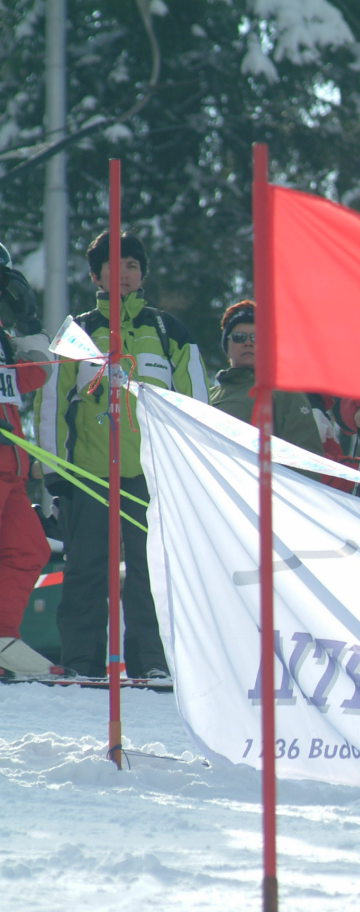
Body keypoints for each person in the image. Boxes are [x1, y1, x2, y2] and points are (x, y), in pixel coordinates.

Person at [39, 230, 209, 680]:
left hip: (153, 479)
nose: (125, 274)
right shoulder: (77, 332)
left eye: (133, 266)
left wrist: (191, 477)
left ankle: (152, 661)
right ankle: (82, 662)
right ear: (97, 275)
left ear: (142, 274)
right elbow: (52, 407)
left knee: (150, 574)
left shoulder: (169, 331)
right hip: (89, 476)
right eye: (115, 266)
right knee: (86, 573)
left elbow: (197, 407)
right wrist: (57, 480)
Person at [0, 242, 57, 677]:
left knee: (28, 549)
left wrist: (28, 322)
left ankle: (2, 639)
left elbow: (38, 372)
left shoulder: (5, 339)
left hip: (13, 468)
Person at [208, 300, 325, 456]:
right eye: (239, 337)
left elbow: (305, 456)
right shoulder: (208, 396)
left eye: (256, 337)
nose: (248, 343)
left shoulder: (284, 393)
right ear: (227, 345)